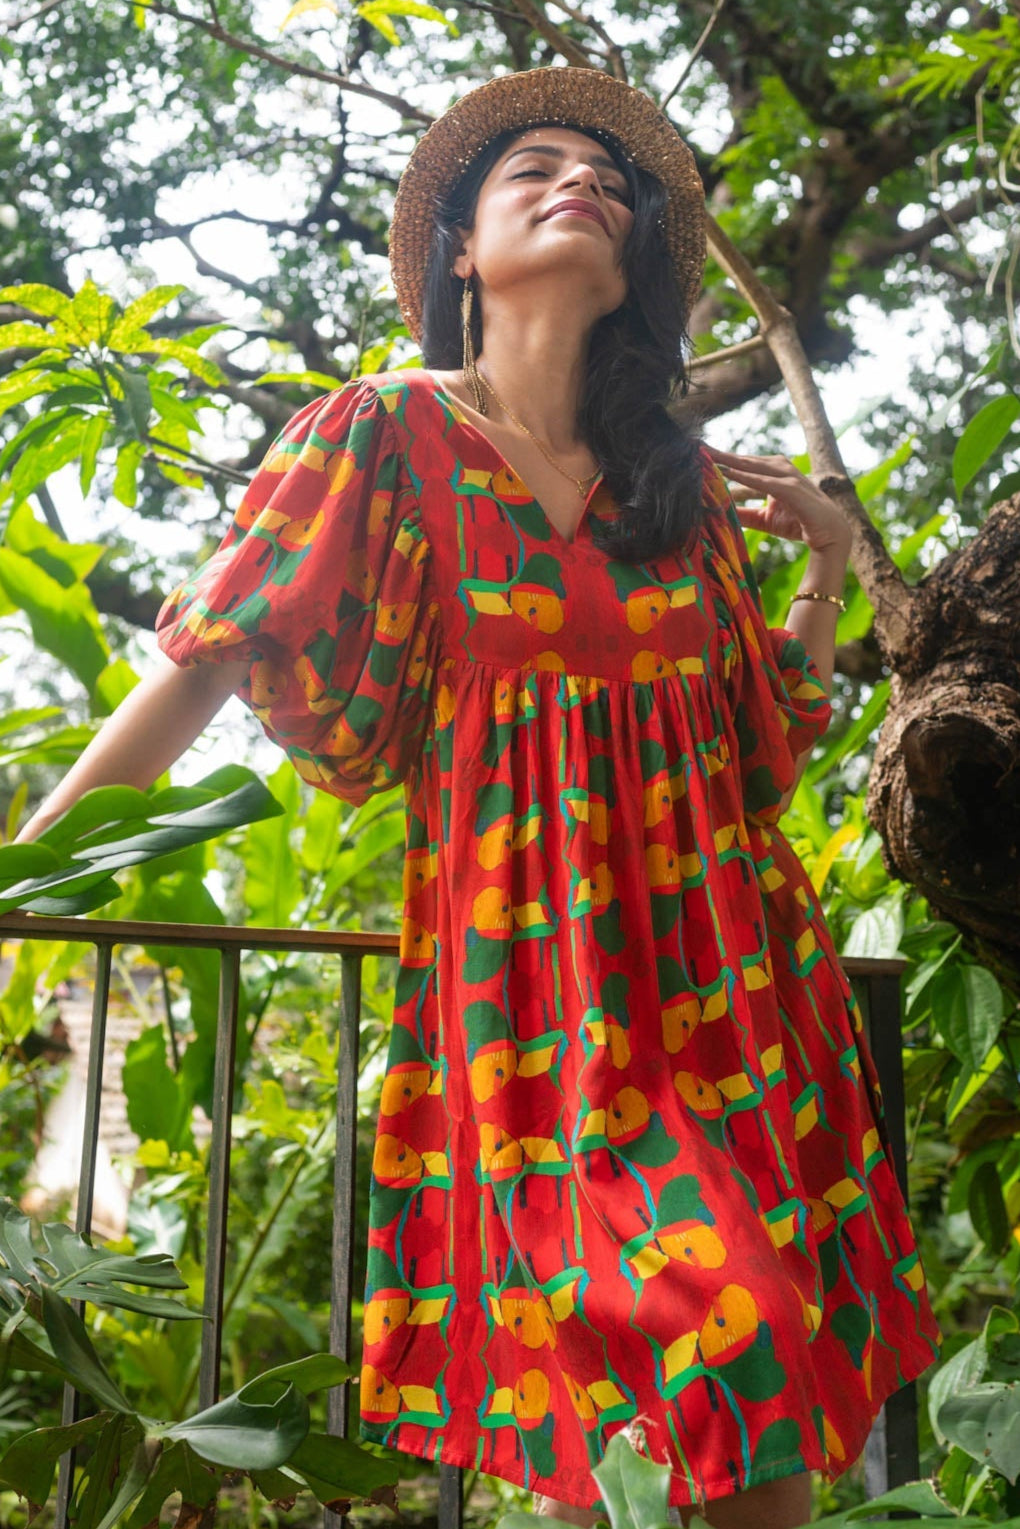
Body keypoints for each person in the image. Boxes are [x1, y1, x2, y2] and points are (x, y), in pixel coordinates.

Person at [20, 67, 939, 1529]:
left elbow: (764, 760)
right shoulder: (386, 434)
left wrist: (825, 566)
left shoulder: (676, 495)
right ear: (460, 251)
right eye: (539, 169)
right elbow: (212, 656)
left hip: (735, 992)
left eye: (610, 182)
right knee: (715, 1341)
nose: (587, 185)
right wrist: (26, 874)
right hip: (537, 1007)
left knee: (727, 1395)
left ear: (631, 270)